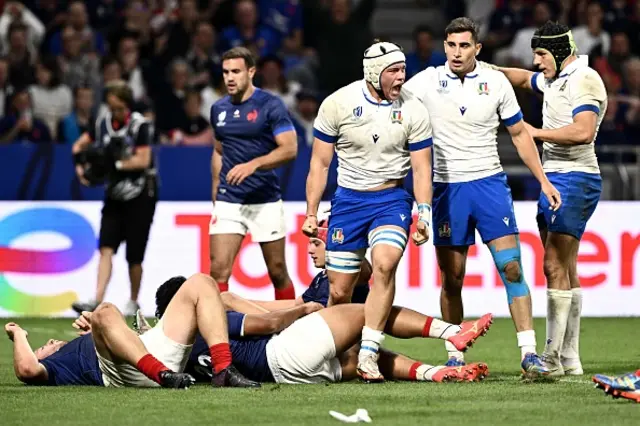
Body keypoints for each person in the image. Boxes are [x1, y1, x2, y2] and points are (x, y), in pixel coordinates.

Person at [403, 17, 561, 377]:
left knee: (513, 268)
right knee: (452, 279)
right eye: (451, 45)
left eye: (464, 45)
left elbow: (520, 134)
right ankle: (455, 352)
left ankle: (528, 354)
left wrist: (544, 181)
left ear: (478, 48)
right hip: (446, 189)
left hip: (489, 186)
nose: (457, 52)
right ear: (444, 46)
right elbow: (395, 107)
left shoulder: (496, 81)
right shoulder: (425, 82)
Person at [302, 40, 434, 382]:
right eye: (394, 70)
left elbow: (421, 169)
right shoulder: (338, 104)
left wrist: (424, 213)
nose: (401, 77)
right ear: (374, 74)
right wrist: (311, 213)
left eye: (403, 69)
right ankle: (332, 352)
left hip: (392, 199)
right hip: (348, 203)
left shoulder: (414, 109)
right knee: (339, 290)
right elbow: (319, 163)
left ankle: (369, 353)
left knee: (385, 265)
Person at [488, 21, 607, 376]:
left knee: (554, 266)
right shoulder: (557, 79)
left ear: (557, 51)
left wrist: (532, 132)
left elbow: (584, 131)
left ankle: (551, 359)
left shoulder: (584, 79)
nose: (537, 62)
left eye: (541, 54)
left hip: (575, 178)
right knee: (565, 268)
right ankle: (569, 357)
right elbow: (524, 78)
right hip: (556, 178)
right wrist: (486, 69)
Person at [146, 276, 493, 385]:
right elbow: (268, 323)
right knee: (368, 314)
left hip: (292, 376)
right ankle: (451, 333)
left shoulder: (177, 352)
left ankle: (436, 373)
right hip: (283, 351)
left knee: (365, 357)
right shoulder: (210, 324)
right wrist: (303, 310)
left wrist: (235, 298)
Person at [5, 274, 260, 388]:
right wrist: (18, 334)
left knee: (202, 282)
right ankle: (161, 374)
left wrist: (98, 332)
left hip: (151, 355)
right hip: (122, 374)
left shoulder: (78, 345)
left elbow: (125, 342)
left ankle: (223, 370)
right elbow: (27, 368)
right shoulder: (55, 369)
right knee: (104, 310)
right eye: (41, 349)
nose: (48, 341)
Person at [209, 46, 298, 300]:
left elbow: (290, 149)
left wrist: (253, 165)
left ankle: (289, 328)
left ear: (251, 72)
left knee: (277, 271)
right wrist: (216, 186)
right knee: (218, 271)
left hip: (264, 199)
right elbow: (218, 150)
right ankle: (219, 332)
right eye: (225, 72)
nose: (229, 77)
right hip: (229, 199)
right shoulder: (219, 109)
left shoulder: (270, 105)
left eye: (235, 71)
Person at [71, 81, 157, 316]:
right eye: (112, 108)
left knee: (134, 254)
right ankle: (96, 299)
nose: (116, 112)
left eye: (119, 108)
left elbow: (143, 160)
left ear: (127, 105)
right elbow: (78, 146)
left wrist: (114, 164)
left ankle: (133, 300)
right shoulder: (101, 124)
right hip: (115, 194)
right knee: (106, 247)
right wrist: (81, 169)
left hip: (141, 194)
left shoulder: (140, 126)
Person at [222, 218, 371, 313]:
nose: (309, 250)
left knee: (229, 303)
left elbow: (366, 270)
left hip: (328, 344)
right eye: (310, 244)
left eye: (316, 243)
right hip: (309, 335)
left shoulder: (351, 275)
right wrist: (244, 303)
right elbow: (295, 305)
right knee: (229, 300)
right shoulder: (322, 278)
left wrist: (346, 238)